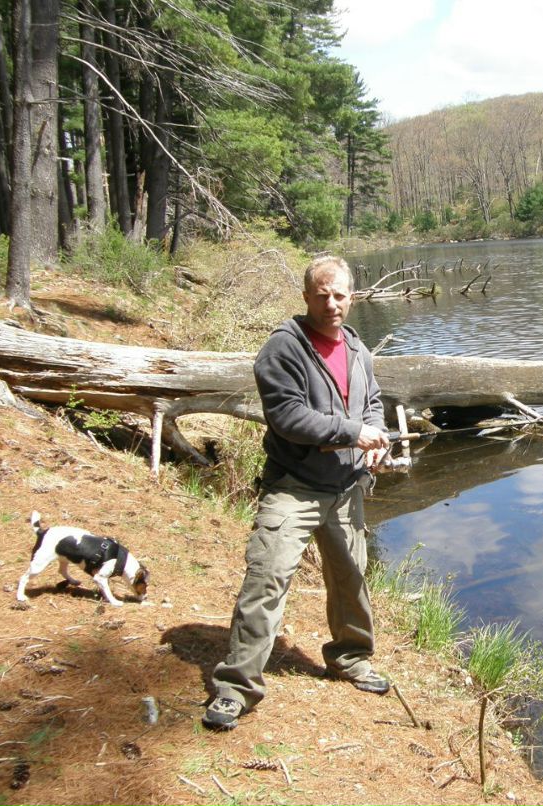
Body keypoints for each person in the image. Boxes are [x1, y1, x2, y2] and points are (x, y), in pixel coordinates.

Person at [203, 256, 392, 731]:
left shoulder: (356, 348)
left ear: (353, 296)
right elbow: (287, 417)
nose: (332, 304)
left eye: (341, 295)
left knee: (350, 578)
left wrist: (374, 440)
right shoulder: (282, 349)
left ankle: (351, 658)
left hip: (346, 489)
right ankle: (236, 687)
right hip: (294, 488)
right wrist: (353, 433)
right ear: (306, 296)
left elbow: (371, 404)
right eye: (322, 294)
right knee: (266, 578)